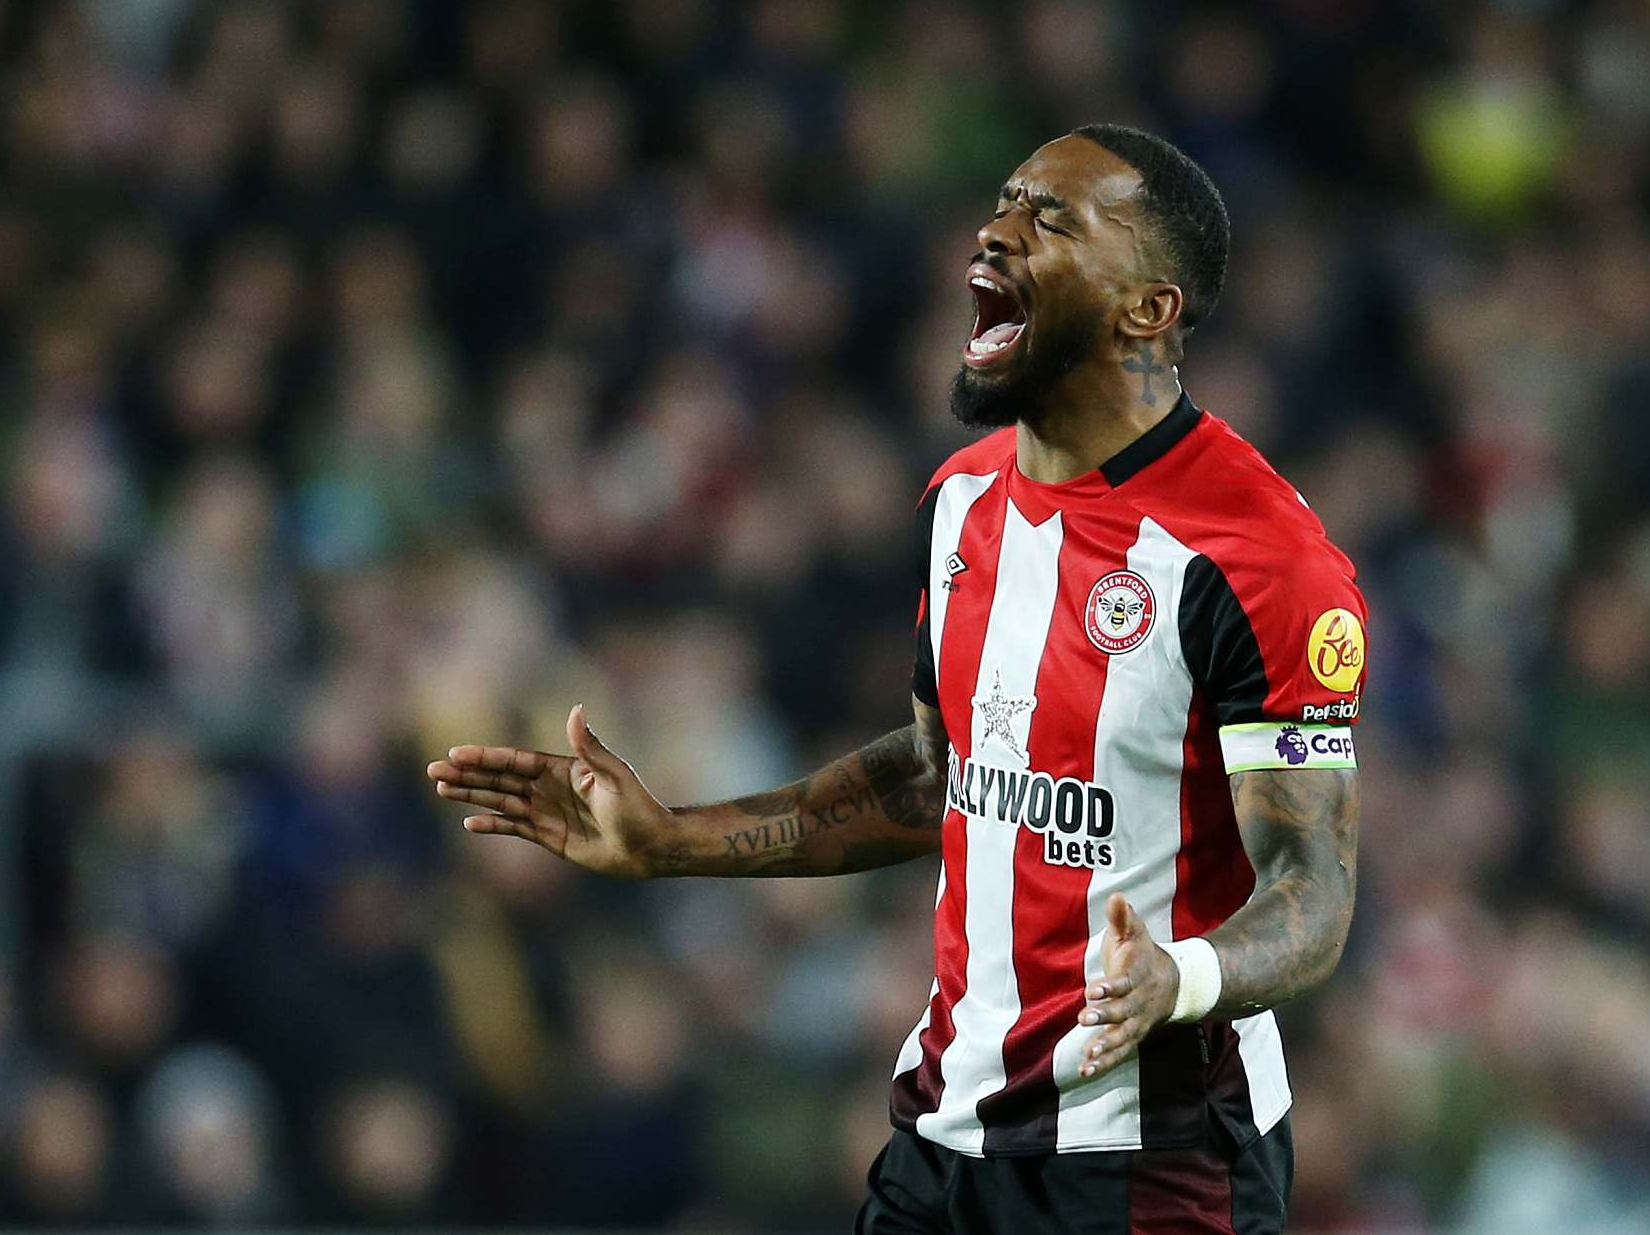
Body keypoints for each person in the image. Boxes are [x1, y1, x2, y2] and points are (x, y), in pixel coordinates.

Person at [431, 125, 1367, 1233]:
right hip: (943, 1138)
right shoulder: (962, 501)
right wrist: (670, 842)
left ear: (1146, 310)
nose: (996, 230)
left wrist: (1181, 980)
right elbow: (935, 778)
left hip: (1155, 1163)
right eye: (1005, 201)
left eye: (1051, 219)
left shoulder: (1260, 560)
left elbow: (1311, 886)